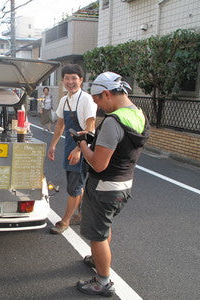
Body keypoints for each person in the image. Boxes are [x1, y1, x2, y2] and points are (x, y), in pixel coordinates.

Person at [74, 72, 149, 297]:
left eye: (97, 100)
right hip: (124, 185)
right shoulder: (138, 114)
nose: (97, 105)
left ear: (107, 93)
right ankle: (98, 260)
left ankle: (103, 282)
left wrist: (83, 144)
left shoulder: (112, 122)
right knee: (104, 227)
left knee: (97, 236)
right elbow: (123, 148)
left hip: (104, 187)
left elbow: (98, 164)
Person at [48, 64, 97, 234]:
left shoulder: (86, 99)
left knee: (73, 186)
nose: (70, 82)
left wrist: (79, 150)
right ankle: (82, 213)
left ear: (81, 80)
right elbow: (60, 124)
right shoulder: (64, 99)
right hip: (70, 145)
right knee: (77, 183)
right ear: (63, 80)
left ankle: (65, 221)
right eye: (67, 78)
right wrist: (53, 144)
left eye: (74, 78)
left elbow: (90, 125)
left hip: (82, 147)